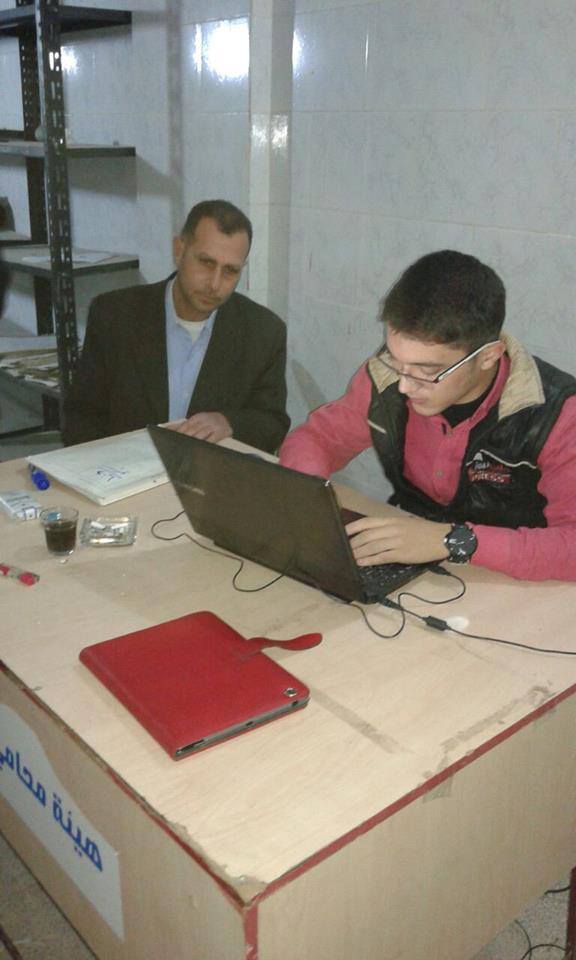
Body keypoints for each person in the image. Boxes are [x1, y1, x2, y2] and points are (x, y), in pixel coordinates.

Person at [280, 250, 576, 582]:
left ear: (488, 357)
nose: (405, 386)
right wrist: (311, 501)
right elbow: (317, 438)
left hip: (518, 580)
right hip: (423, 565)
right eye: (396, 360)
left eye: (427, 371)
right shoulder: (388, 377)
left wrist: (451, 540)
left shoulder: (560, 414)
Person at [63, 200, 290, 453]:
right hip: (125, 467)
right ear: (179, 250)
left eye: (230, 271)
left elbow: (273, 422)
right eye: (206, 262)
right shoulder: (114, 316)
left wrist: (229, 422)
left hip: (209, 471)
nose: (215, 284)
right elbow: (80, 418)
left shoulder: (264, 332)